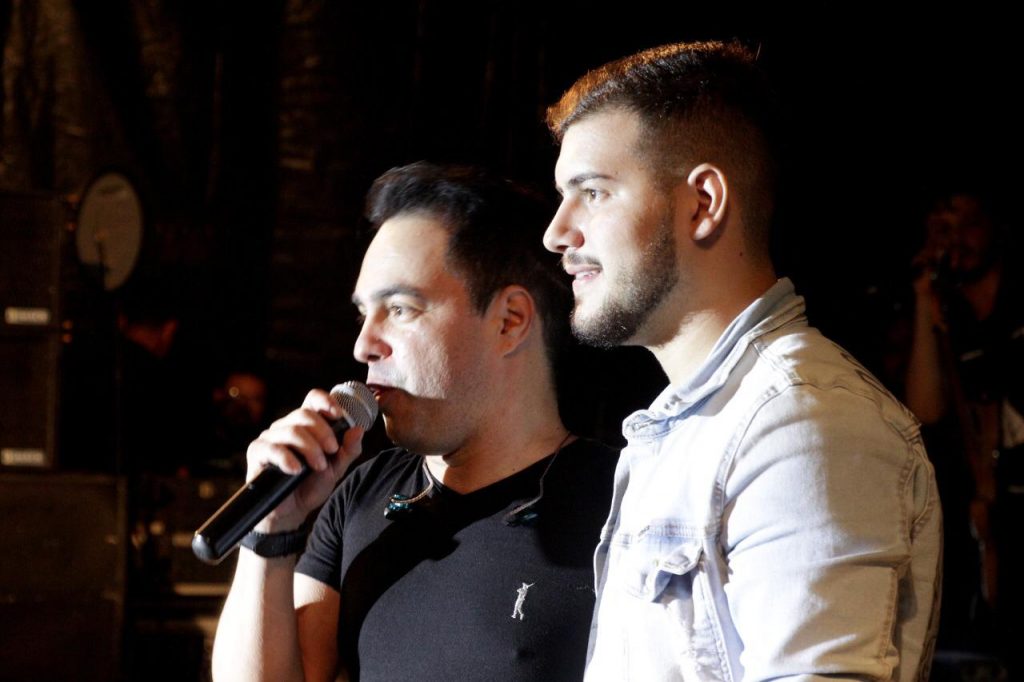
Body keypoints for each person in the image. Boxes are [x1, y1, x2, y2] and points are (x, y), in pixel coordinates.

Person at [542, 41, 942, 680]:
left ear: (703, 203)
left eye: (593, 192)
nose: (557, 233)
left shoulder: (804, 421)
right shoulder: (688, 426)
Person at [211, 162, 618, 682]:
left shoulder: (619, 501)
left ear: (509, 321)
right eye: (364, 314)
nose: (364, 345)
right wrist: (271, 532)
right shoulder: (361, 495)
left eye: (400, 309)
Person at [905, 189, 1023, 675]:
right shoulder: (947, 312)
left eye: (969, 224)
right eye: (944, 230)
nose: (958, 241)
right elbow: (925, 409)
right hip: (992, 515)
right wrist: (923, 299)